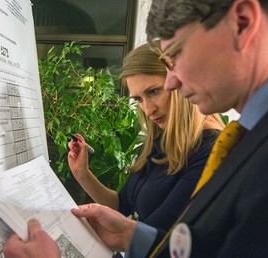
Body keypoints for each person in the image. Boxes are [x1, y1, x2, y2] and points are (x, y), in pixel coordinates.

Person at [3, 0, 268, 257]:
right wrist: (130, 235)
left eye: (177, 54)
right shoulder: (250, 137)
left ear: (242, 22)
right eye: (139, 98)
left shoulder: (251, 152)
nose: (173, 82)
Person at [67, 43, 224, 234]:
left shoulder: (212, 150)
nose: (148, 110)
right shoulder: (159, 138)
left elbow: (154, 233)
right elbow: (121, 205)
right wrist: (83, 173)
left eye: (154, 91)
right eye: (139, 99)